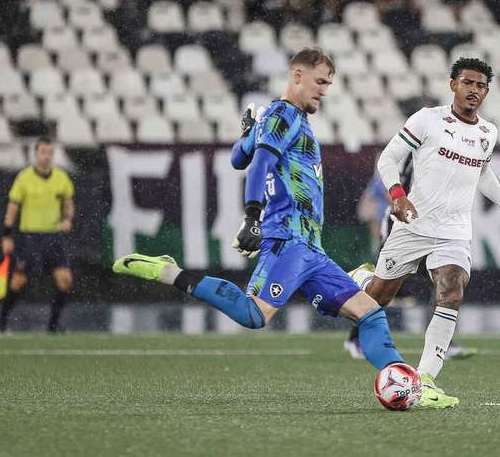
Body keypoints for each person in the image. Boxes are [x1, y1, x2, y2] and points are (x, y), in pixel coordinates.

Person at [113, 47, 409, 380]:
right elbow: (259, 164)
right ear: (297, 76)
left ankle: (405, 381)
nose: (325, 91)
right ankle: (169, 272)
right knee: (254, 315)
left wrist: (247, 135)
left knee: (370, 312)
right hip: (288, 239)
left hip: (312, 249)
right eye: (320, 82)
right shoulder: (283, 114)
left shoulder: (282, 118)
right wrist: (252, 216)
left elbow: (238, 159)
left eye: (328, 84)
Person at [345, 57, 500, 408]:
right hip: (413, 223)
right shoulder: (427, 119)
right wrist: (397, 196)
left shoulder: (488, 133)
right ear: (453, 84)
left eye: (480, 85)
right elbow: (387, 159)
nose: (473, 90)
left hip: (455, 230)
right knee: (378, 299)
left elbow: (483, 172)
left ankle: (425, 379)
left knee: (452, 290)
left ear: (487, 91)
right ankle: (364, 280)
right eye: (467, 83)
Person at [346, 158, 478, 362]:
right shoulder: (414, 150)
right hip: (405, 226)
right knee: (383, 289)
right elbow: (392, 186)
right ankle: (356, 336)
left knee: (444, 282)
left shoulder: (451, 151)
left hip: (438, 228)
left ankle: (442, 342)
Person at [0, 137, 75, 332]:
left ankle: (53, 325)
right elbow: (13, 207)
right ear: (36, 153)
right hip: (30, 237)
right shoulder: (24, 178)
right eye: (43, 152)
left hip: (53, 236)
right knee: (18, 281)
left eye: (50, 152)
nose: (46, 156)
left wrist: (67, 219)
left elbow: (68, 203)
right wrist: (7, 234)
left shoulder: (61, 177)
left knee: (65, 279)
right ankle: (3, 322)